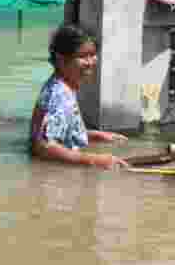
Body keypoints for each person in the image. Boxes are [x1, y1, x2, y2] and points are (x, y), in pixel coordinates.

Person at [29, 23, 130, 169]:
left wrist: (95, 136)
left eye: (93, 55)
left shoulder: (64, 86)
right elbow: (42, 146)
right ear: (61, 59)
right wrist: (93, 159)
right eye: (82, 56)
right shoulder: (59, 95)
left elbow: (61, 133)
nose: (90, 62)